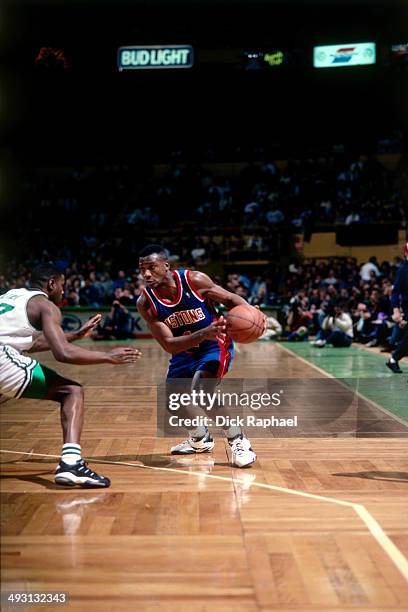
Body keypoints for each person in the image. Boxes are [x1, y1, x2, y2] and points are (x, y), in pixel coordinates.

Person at [0, 264, 141, 488]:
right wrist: (108, 356)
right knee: (72, 391)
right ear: (51, 284)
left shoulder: (11, 296)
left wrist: (74, 335)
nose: (63, 292)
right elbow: (63, 353)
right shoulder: (45, 305)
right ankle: (71, 463)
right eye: (62, 286)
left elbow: (29, 343)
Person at [137, 245, 265, 467]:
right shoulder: (145, 303)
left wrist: (252, 313)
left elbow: (231, 299)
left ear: (166, 266)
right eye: (142, 269)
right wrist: (200, 334)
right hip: (184, 350)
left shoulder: (194, 280)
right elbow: (169, 345)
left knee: (202, 390)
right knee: (173, 402)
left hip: (214, 344)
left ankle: (238, 439)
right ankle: (200, 437)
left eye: (152, 267)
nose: (147, 274)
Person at [386, 243, 408, 373]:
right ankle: (394, 358)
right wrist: (395, 310)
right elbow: (395, 292)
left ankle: (393, 359)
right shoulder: (403, 269)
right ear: (405, 253)